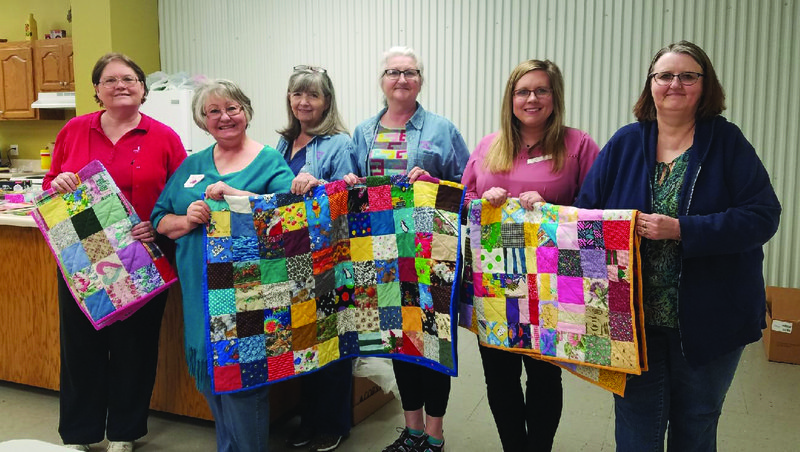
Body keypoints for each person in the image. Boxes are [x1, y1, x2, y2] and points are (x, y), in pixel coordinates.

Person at [575, 41, 781, 451]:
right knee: (636, 427)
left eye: (688, 75)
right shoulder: (626, 143)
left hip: (711, 316)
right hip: (633, 319)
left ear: (705, 86)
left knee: (696, 423)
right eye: (665, 75)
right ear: (650, 85)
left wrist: (683, 229)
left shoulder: (726, 142)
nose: (675, 84)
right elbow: (585, 217)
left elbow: (762, 215)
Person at [43, 53, 187, 452]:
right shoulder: (74, 130)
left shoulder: (164, 137)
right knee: (81, 347)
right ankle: (79, 433)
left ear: (143, 88)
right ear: (96, 90)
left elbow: (179, 194)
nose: (120, 85)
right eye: (110, 80)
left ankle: (124, 432)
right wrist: (59, 182)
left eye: (129, 79)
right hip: (82, 254)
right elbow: (51, 180)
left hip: (142, 253)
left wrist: (158, 223)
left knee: (134, 348)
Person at [461, 59, 600, 451]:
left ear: (555, 97)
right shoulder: (489, 146)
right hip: (495, 281)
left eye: (541, 90)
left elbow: (597, 208)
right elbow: (463, 199)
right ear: (510, 99)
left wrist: (551, 206)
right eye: (523, 91)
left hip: (552, 281)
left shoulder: (579, 145)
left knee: (543, 378)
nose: (532, 98)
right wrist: (482, 200)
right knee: (499, 377)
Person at [151, 79, 294, 452]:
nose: (224, 117)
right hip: (200, 291)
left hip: (249, 293)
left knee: (242, 381)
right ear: (202, 121)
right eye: (213, 111)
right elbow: (159, 219)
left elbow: (289, 217)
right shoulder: (193, 164)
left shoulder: (269, 160)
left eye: (232, 108)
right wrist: (187, 219)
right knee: (214, 379)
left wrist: (237, 196)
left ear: (246, 112)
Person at [345, 46, 470, 452]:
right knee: (399, 341)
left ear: (421, 79)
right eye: (393, 72)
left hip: (432, 252)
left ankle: (434, 435)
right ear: (381, 80)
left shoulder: (441, 129)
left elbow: (466, 190)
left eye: (410, 72)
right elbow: (351, 186)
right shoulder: (363, 132)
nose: (402, 79)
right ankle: (412, 429)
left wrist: (434, 182)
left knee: (432, 342)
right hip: (382, 253)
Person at [276, 65, 356, 452]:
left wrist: (320, 185)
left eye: (313, 95)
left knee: (333, 341)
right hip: (292, 260)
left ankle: (334, 422)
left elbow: (347, 199)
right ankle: (308, 418)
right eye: (297, 95)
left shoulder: (338, 143)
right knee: (304, 341)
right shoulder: (281, 144)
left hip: (326, 259)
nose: (303, 102)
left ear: (327, 102)